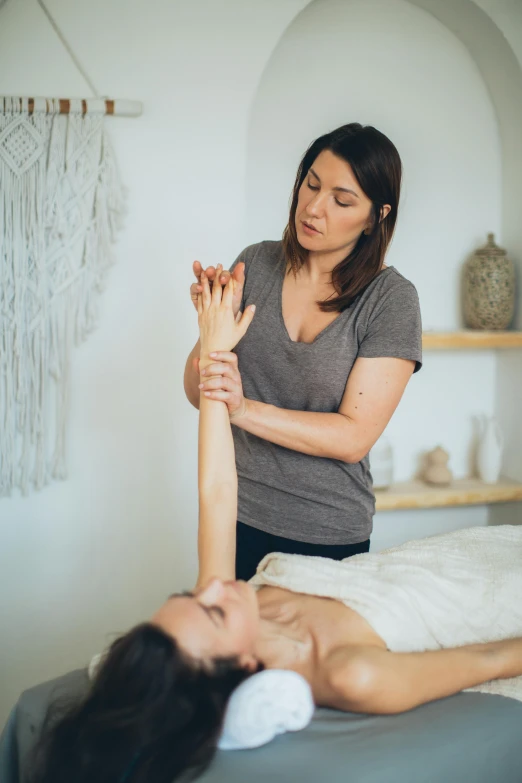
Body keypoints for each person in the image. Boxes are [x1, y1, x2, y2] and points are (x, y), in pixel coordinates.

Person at [29, 270, 522, 783]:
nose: (214, 589)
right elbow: (488, 658)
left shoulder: (226, 599)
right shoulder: (350, 673)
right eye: (213, 614)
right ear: (243, 671)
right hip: (491, 595)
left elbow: (218, 486)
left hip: (460, 551)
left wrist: (215, 342)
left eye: (192, 597)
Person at [184, 123, 423, 580]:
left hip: (327, 530)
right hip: (236, 513)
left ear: (376, 216)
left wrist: (242, 408)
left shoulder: (390, 300)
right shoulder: (255, 263)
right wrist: (211, 330)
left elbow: (353, 439)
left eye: (342, 199)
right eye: (311, 184)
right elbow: (197, 392)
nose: (313, 207)